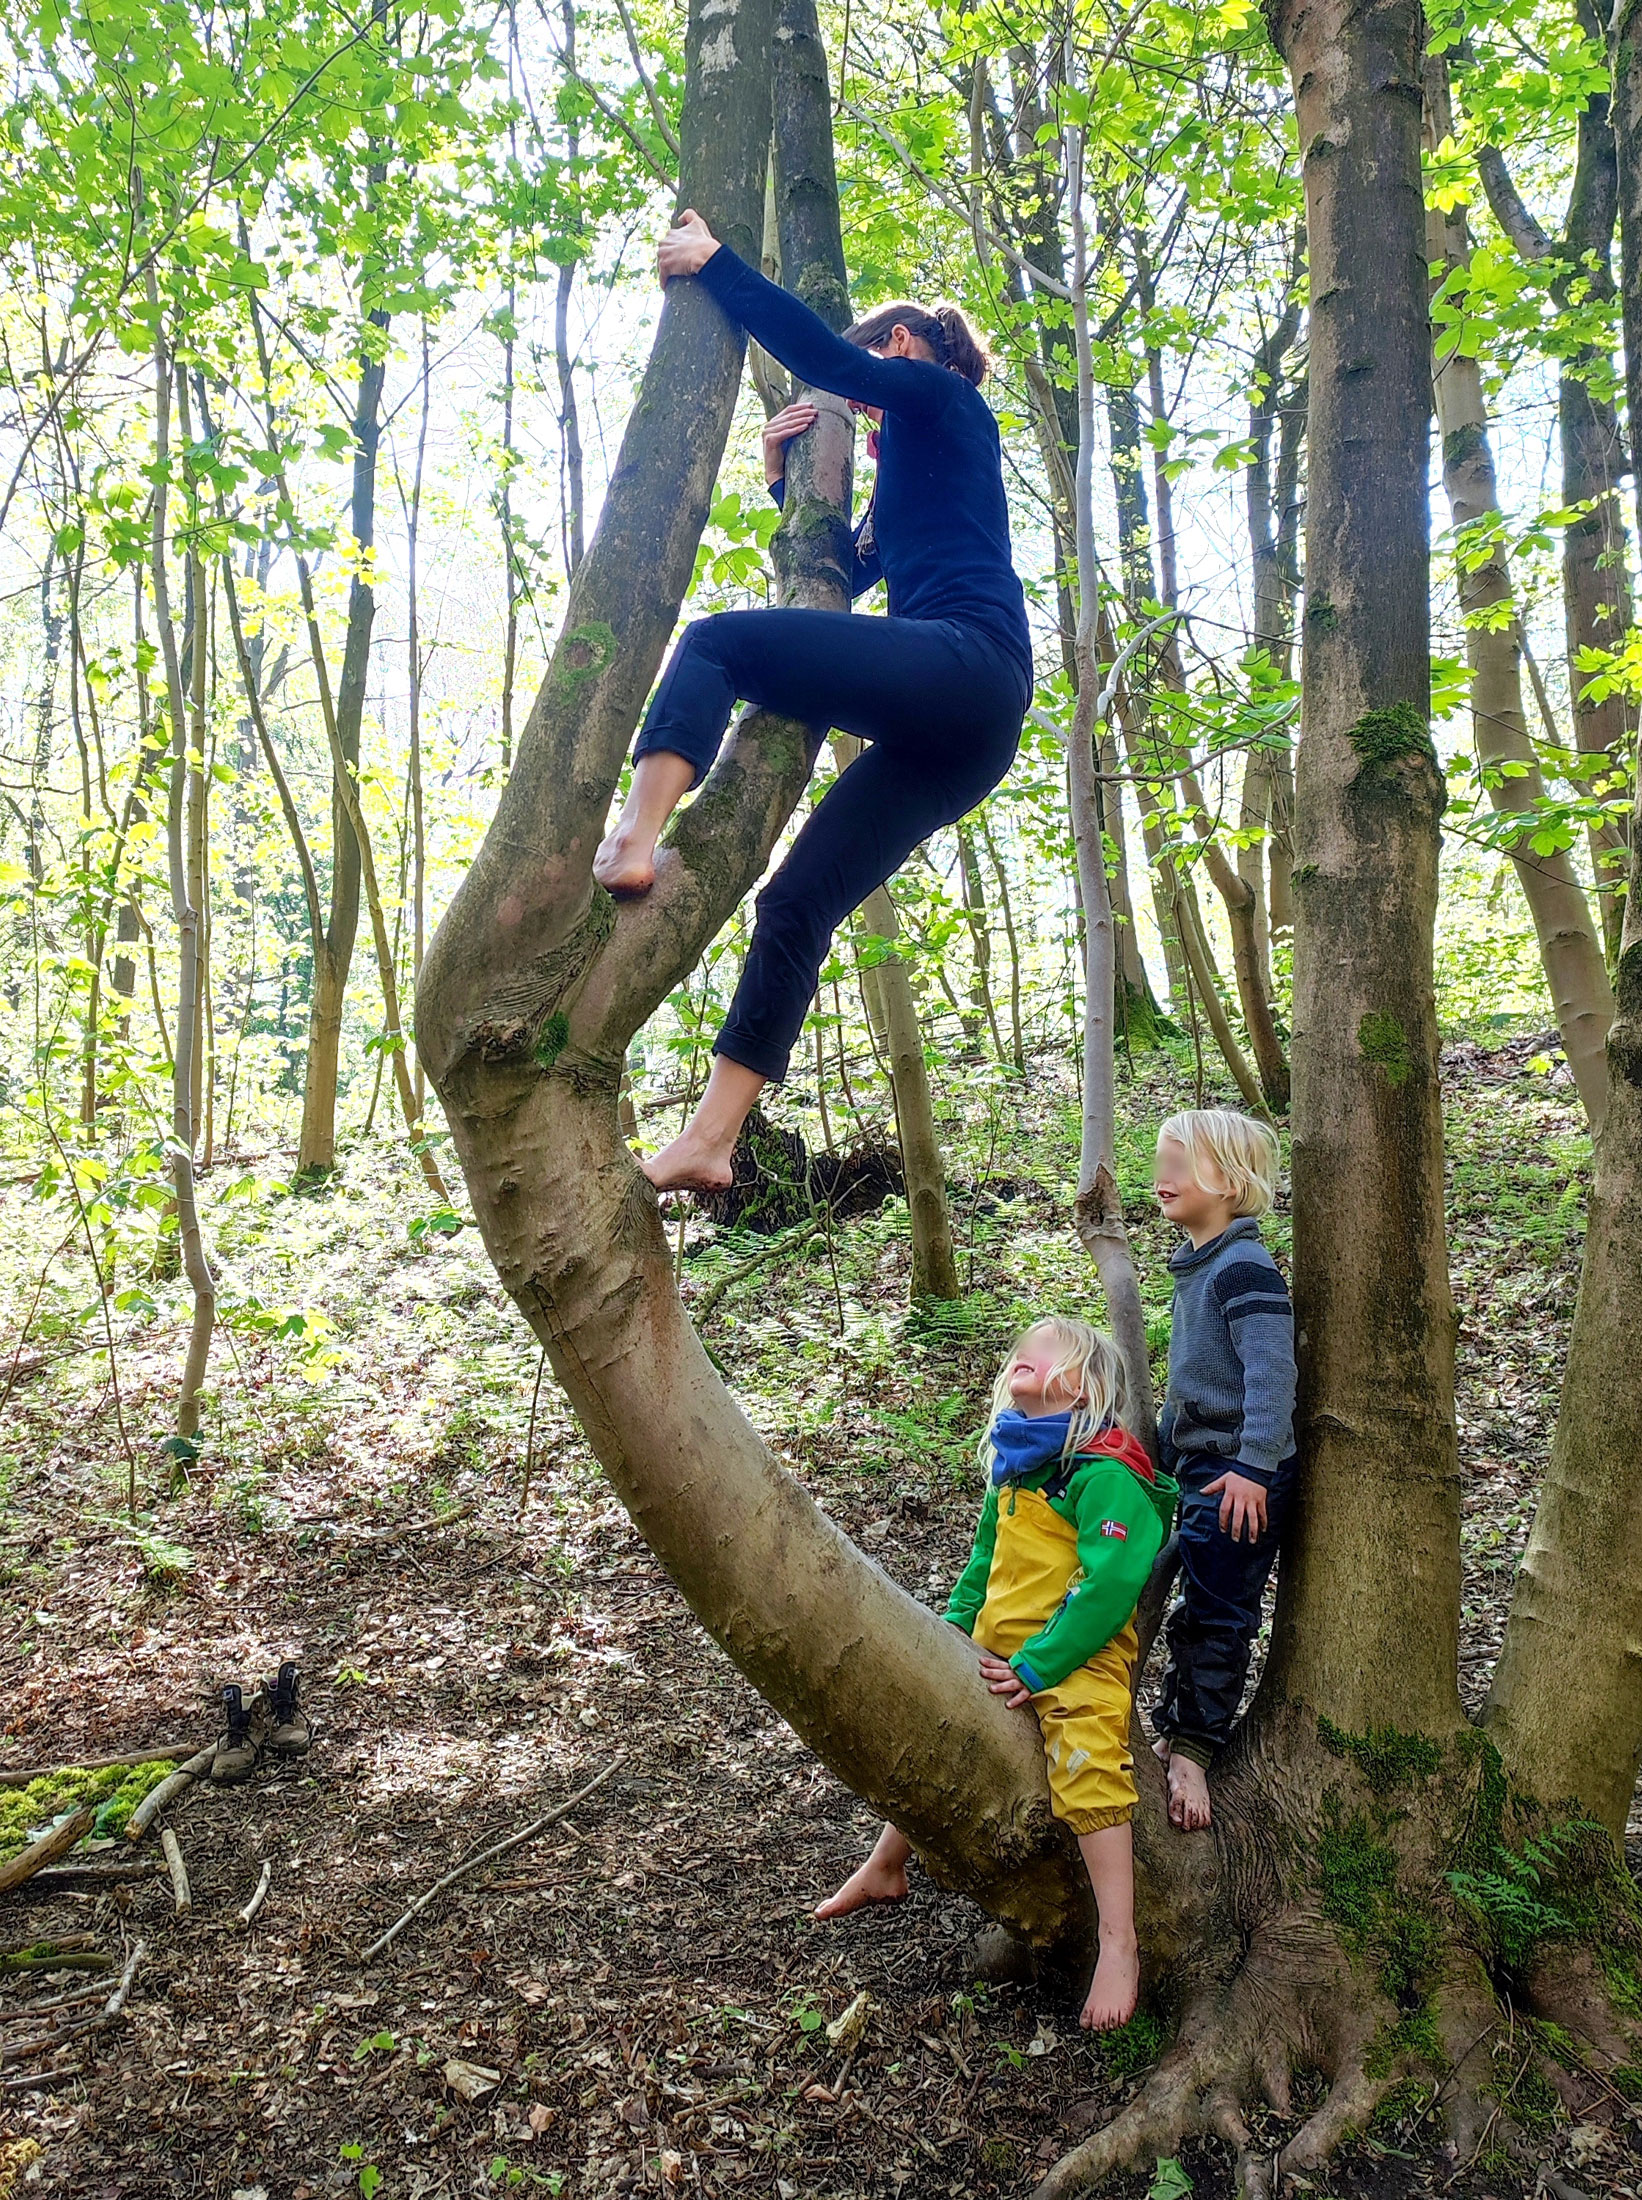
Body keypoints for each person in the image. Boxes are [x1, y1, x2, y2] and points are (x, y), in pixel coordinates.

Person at [594, 208, 1032, 1193]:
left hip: (968, 661)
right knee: (795, 901)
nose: (861, 382)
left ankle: (633, 836)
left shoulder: (943, 402)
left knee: (714, 642)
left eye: (870, 356)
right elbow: (837, 578)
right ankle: (711, 1137)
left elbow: (817, 354)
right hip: (959, 731)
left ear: (904, 345)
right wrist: (777, 475)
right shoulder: (918, 471)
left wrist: (717, 267)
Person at [815, 1317, 1176, 2031]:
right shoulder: (1016, 1468)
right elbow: (983, 1565)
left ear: (1085, 1390)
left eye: (1047, 1353)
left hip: (1076, 1661)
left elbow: (1109, 1589)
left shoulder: (1103, 1476)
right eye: (1021, 1352)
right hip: (997, 1655)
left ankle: (1118, 1940)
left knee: (1089, 1762)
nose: (1025, 1357)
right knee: (934, 1733)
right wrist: (952, 1631)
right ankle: (887, 1861)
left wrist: (1043, 1665)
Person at [1150, 1108, 1297, 1833]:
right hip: (1204, 1466)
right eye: (1161, 1160)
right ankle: (1176, 1725)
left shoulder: (1243, 1265)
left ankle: (1194, 1751)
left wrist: (1254, 1466)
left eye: (1180, 1162)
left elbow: (1272, 1374)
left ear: (1231, 1181)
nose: (1162, 1176)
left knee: (1218, 1612)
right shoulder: (1204, 1262)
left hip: (1237, 1475)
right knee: (1194, 1604)